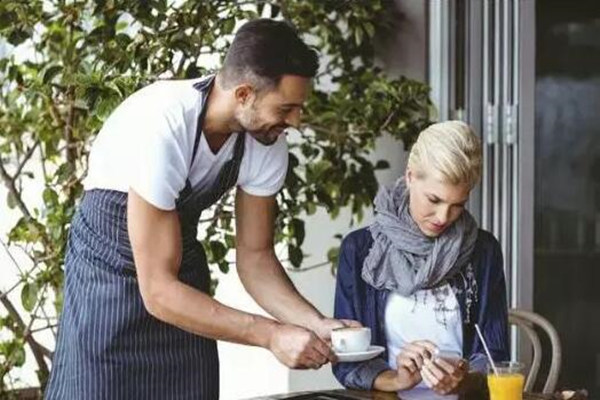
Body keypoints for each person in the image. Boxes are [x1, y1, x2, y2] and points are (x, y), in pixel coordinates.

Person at [46, 19, 355, 400]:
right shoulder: (162, 125)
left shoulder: (266, 142)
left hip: (178, 272)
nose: (296, 121)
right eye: (286, 107)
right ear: (243, 94)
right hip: (108, 278)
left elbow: (255, 258)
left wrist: (316, 323)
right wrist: (271, 334)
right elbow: (157, 291)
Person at [332, 121, 510, 398]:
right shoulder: (360, 250)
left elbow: (495, 355)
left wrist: (464, 379)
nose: (443, 218)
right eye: (434, 200)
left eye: (458, 205)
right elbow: (346, 359)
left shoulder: (483, 251)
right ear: (410, 176)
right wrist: (395, 379)